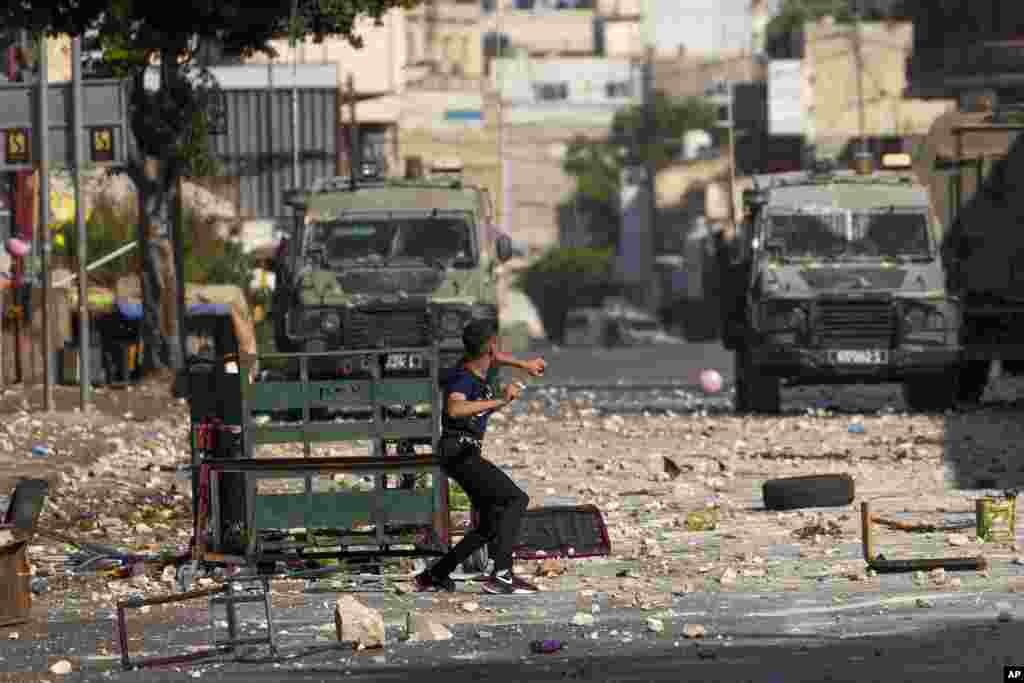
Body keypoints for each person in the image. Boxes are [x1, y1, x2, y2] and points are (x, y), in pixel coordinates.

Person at [416, 319, 540, 594]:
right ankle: (502, 574)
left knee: (490, 524)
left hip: (463, 451)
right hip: (458, 452)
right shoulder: (464, 377)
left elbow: (500, 359)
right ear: (490, 348)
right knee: (516, 499)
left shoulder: (481, 364)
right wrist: (502, 401)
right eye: (497, 345)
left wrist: (525, 366)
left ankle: (435, 574)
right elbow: (455, 409)